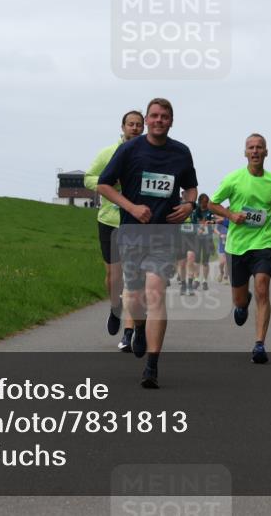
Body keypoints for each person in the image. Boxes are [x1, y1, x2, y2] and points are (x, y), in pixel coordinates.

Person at [97, 98, 197, 388]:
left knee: (156, 292)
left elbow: (190, 186)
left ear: (171, 121)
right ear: (148, 119)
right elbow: (104, 184)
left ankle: (152, 365)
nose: (158, 120)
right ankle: (137, 328)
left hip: (165, 234)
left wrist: (189, 204)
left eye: (164, 116)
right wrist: (130, 207)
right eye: (154, 116)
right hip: (132, 233)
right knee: (136, 297)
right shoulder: (129, 149)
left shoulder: (181, 152)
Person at [208, 134, 271, 365]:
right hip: (236, 246)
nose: (255, 151)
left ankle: (259, 344)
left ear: (266, 152)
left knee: (263, 288)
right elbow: (211, 204)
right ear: (245, 153)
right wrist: (231, 215)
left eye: (259, 148)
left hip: (263, 243)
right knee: (239, 300)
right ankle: (242, 302)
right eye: (251, 148)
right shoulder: (233, 179)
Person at [84, 110, 144, 351]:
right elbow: (89, 179)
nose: (135, 128)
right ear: (123, 127)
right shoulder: (108, 153)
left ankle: (129, 334)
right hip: (109, 220)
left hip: (135, 222)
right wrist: (109, 184)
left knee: (132, 279)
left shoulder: (146, 154)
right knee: (114, 276)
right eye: (131, 124)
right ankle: (114, 307)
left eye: (139, 125)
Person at [190, 193, 216, 291]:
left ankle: (205, 281)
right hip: (197, 238)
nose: (204, 205)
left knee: (205, 261)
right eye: (203, 203)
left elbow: (215, 221)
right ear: (199, 202)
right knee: (196, 260)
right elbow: (192, 224)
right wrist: (198, 229)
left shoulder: (210, 211)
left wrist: (209, 223)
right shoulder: (195, 211)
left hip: (207, 239)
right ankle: (196, 279)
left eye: (206, 203)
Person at [214, 216, 230, 282]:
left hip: (229, 244)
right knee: (221, 262)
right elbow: (215, 230)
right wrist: (220, 234)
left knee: (226, 261)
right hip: (221, 244)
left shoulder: (231, 221)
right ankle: (221, 273)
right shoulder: (221, 221)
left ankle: (225, 277)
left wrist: (229, 236)